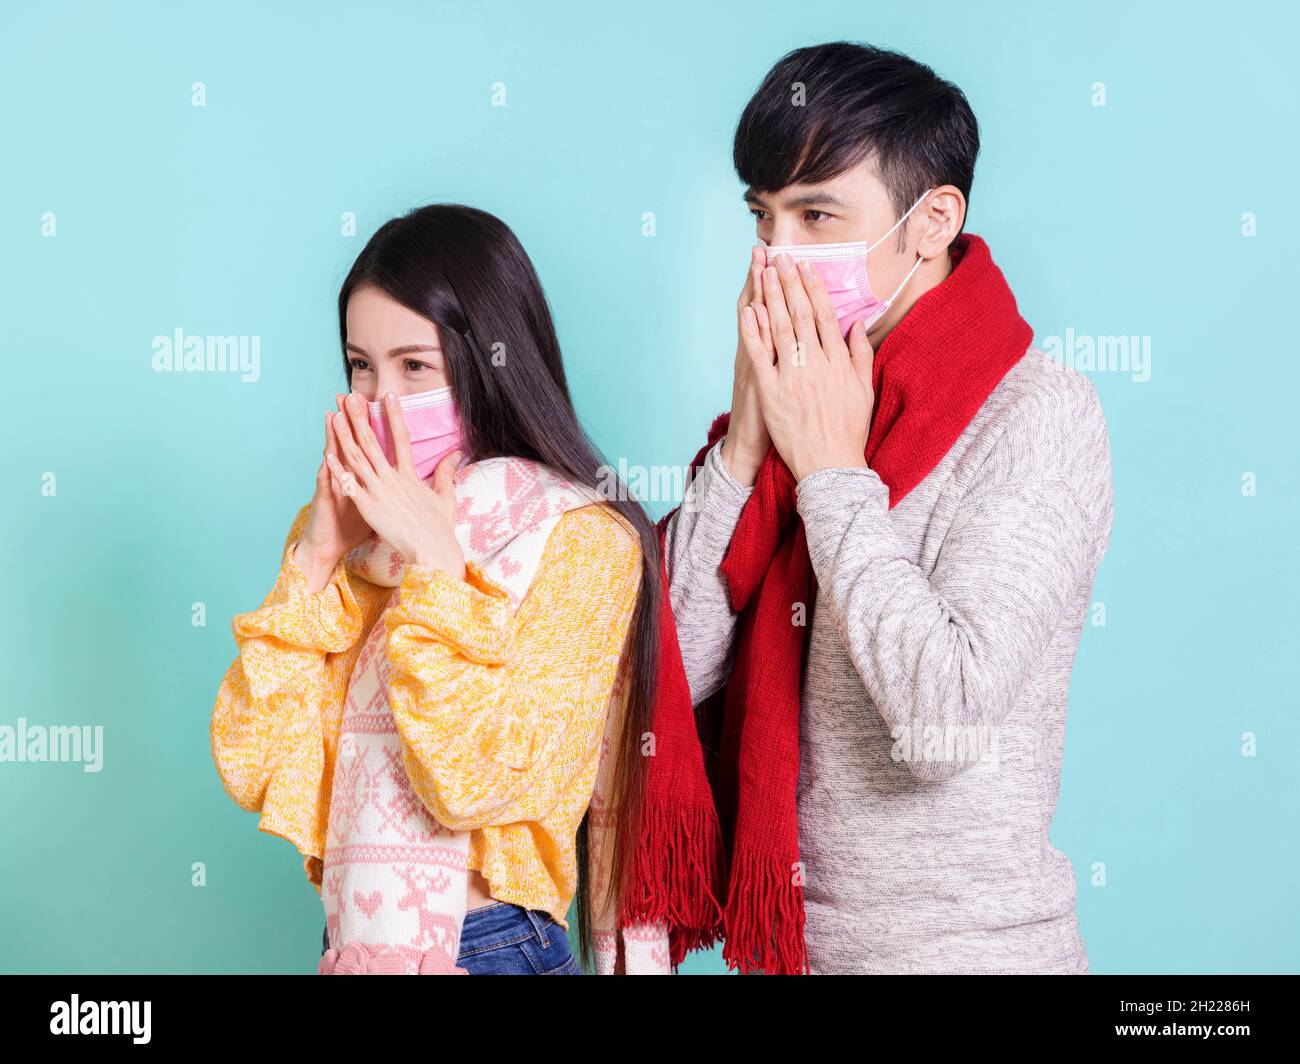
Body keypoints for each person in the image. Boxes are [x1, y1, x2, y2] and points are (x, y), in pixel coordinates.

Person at [657, 42, 1114, 974]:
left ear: (931, 220)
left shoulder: (1037, 414)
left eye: (817, 214)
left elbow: (940, 722)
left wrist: (829, 470)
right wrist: (746, 445)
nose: (779, 256)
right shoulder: (792, 398)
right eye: (763, 217)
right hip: (788, 952)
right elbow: (663, 666)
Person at [210, 204, 670, 974]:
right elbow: (254, 765)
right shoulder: (351, 535)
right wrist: (316, 558)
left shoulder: (582, 538)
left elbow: (473, 780)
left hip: (488, 945)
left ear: (490, 358)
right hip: (348, 949)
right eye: (361, 365)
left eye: (414, 366)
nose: (381, 398)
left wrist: (435, 561)